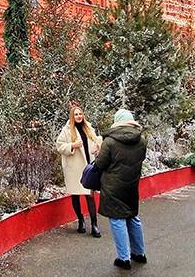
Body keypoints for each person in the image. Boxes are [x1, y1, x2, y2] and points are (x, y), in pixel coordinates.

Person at [94, 109, 147, 270]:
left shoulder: (109, 141)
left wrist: (97, 154)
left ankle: (124, 259)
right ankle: (139, 253)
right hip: (131, 184)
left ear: (117, 121)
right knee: (132, 217)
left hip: (113, 186)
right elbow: (141, 158)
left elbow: (100, 164)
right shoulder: (142, 140)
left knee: (117, 219)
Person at [56, 106, 102, 238]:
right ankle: (81, 220)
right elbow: (60, 145)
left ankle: (94, 225)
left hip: (88, 167)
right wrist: (72, 146)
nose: (78, 116)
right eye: (76, 114)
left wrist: (98, 146)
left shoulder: (88, 128)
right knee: (75, 195)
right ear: (72, 116)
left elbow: (96, 141)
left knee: (90, 195)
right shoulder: (67, 130)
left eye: (80, 113)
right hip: (74, 168)